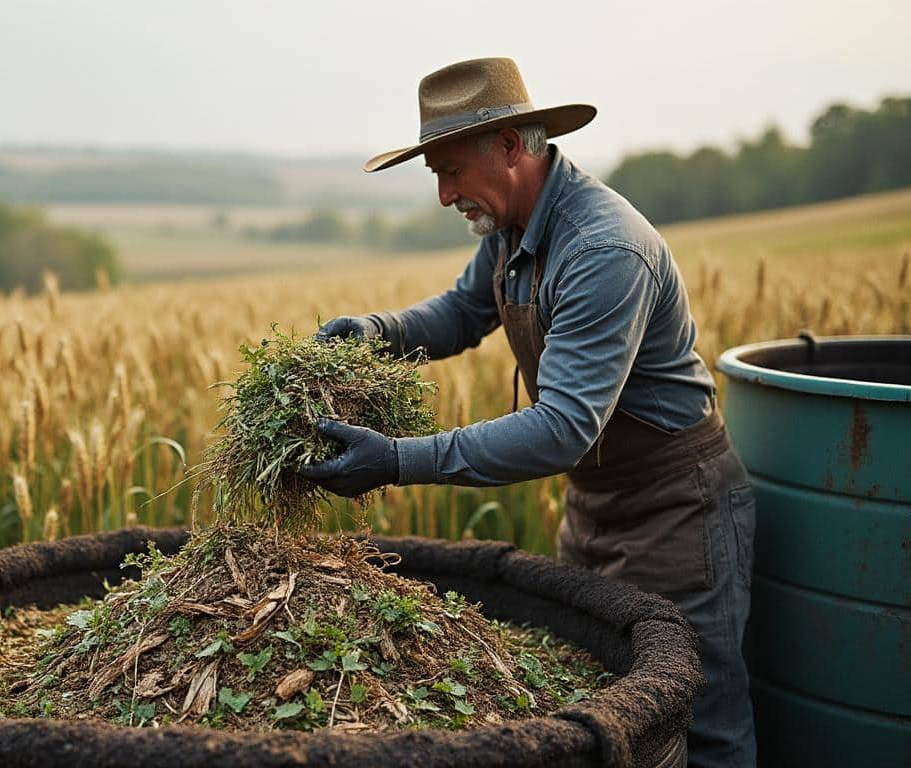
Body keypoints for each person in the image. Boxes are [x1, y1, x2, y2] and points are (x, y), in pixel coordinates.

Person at [298, 57, 756, 768]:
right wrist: (376, 332)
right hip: (594, 505)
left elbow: (562, 428)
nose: (446, 194)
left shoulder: (601, 247)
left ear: (511, 147)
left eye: (451, 171)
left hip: (678, 513)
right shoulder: (512, 227)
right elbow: (461, 312)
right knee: (608, 704)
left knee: (702, 719)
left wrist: (395, 459)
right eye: (436, 177)